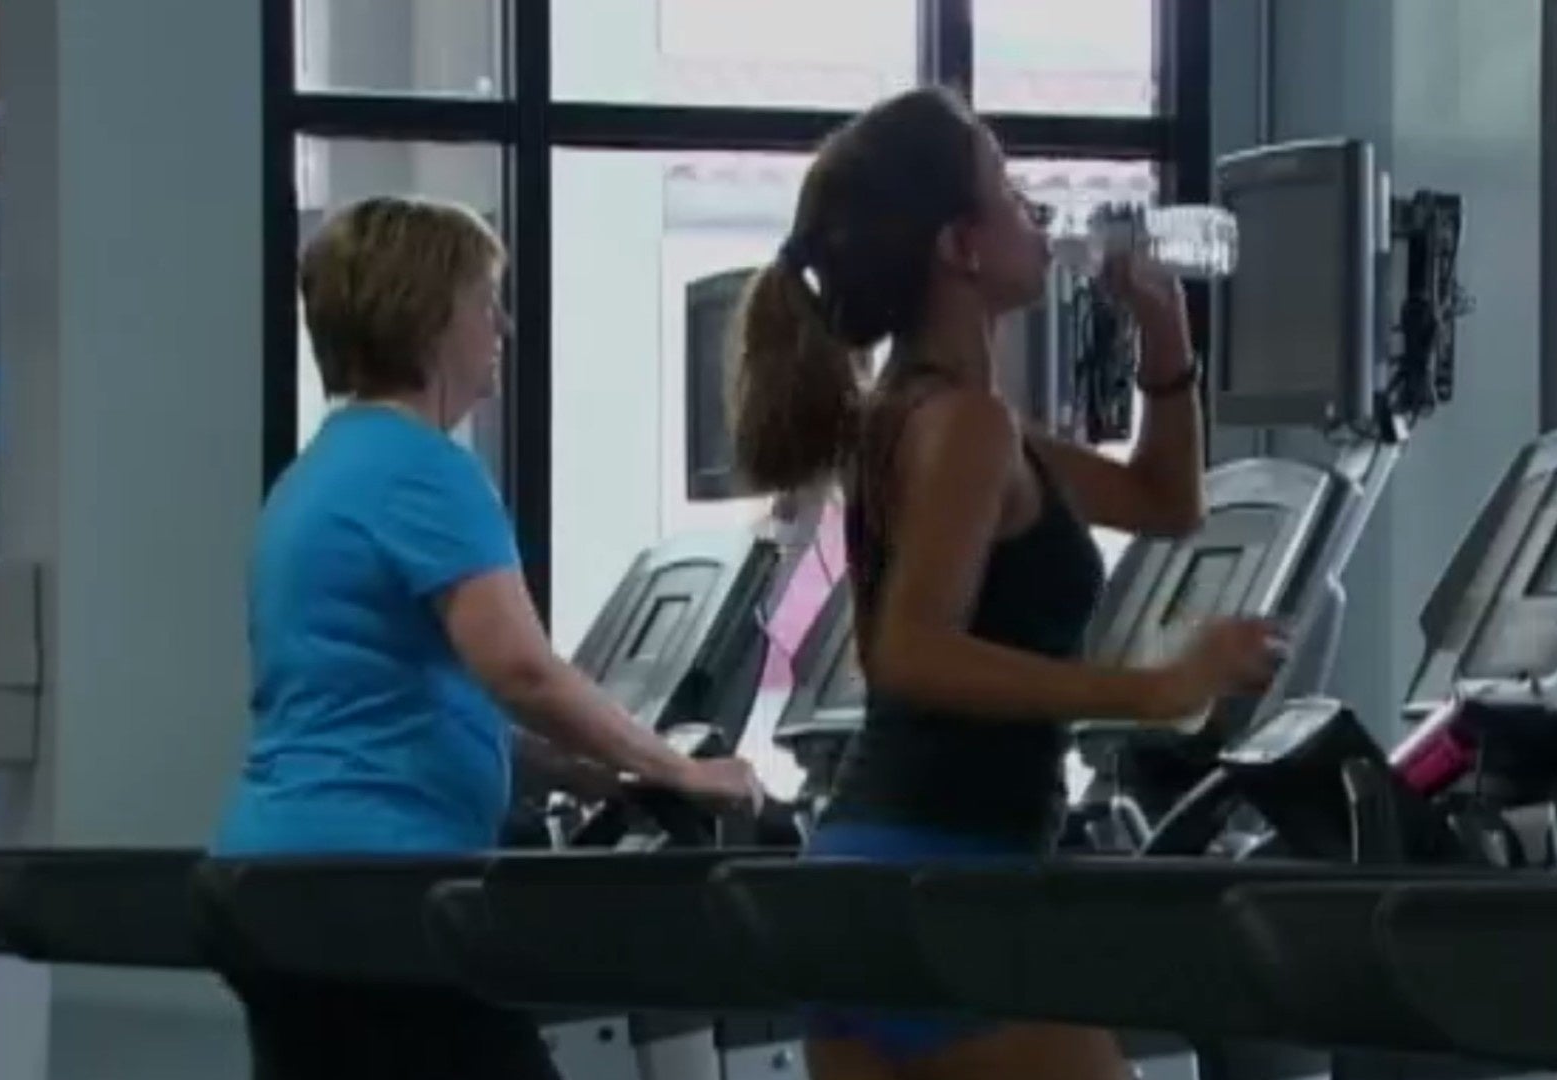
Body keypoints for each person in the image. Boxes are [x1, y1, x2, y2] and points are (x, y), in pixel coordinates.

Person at [729, 87, 1286, 1080]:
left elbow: (1166, 502)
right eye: (1011, 191)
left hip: (872, 881)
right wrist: (1157, 689)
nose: (1038, 213)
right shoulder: (969, 429)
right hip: (942, 884)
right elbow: (909, 652)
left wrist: (1166, 348)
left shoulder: (929, 415)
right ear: (963, 247)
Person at [213, 195, 764, 1080]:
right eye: (485, 301)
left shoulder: (319, 473)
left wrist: (584, 772)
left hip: (284, 882)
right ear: (428, 316)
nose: (501, 325)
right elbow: (521, 671)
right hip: (375, 891)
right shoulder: (425, 467)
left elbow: (390, 699)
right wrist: (681, 770)